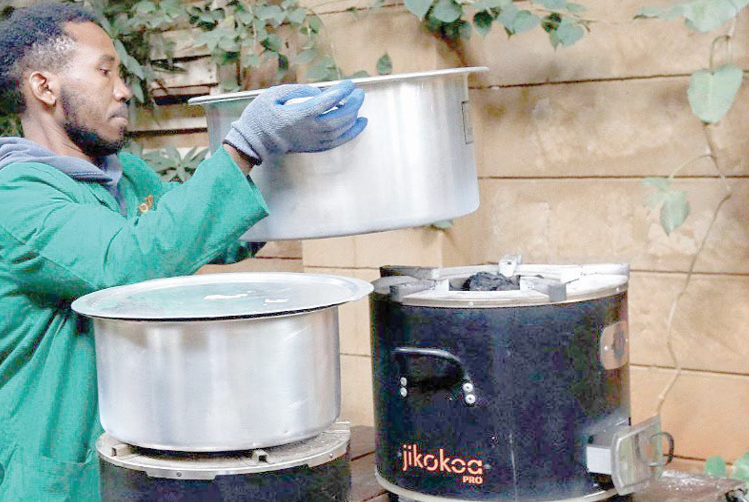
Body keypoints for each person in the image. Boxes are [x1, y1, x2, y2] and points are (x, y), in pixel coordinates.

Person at [0, 3, 367, 501]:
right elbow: (124, 266)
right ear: (44, 87)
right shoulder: (16, 196)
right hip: (61, 476)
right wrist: (242, 147)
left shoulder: (123, 174)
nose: (124, 89)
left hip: (147, 461)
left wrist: (290, 163)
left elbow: (199, 231)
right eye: (105, 71)